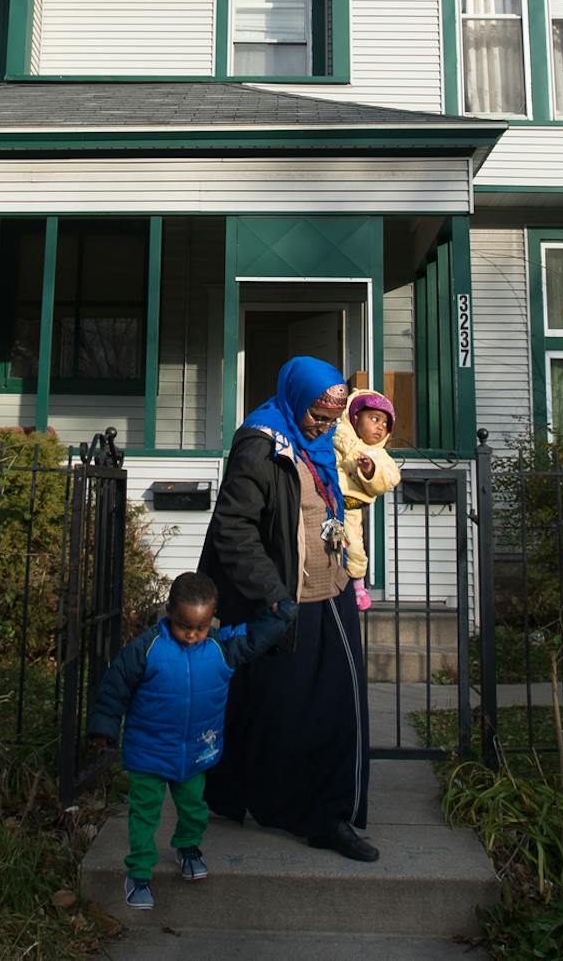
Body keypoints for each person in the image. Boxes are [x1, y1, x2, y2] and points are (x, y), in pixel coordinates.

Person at [198, 355, 378, 861]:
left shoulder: (319, 446)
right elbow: (233, 528)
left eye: (332, 417)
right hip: (284, 600)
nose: (323, 425)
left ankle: (327, 817)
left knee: (333, 707)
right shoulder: (261, 445)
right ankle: (267, 800)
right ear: (294, 398)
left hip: (328, 589)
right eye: (316, 416)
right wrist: (272, 592)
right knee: (277, 708)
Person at [87, 571, 296, 911]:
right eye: (184, 626)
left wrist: (283, 612)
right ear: (169, 611)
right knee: (144, 814)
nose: (191, 635)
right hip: (148, 753)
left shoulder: (220, 647)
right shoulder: (145, 648)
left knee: (194, 809)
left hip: (196, 752)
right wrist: (104, 728)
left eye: (200, 628)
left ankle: (187, 847)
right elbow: (114, 687)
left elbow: (257, 636)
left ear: (211, 619)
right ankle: (139, 873)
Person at [333, 390, 403, 611]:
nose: (380, 427)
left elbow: (390, 478)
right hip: (326, 504)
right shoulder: (336, 437)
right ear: (355, 419)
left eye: (385, 424)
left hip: (351, 509)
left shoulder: (378, 455)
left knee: (354, 546)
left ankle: (357, 584)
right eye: (374, 419)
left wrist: (370, 469)